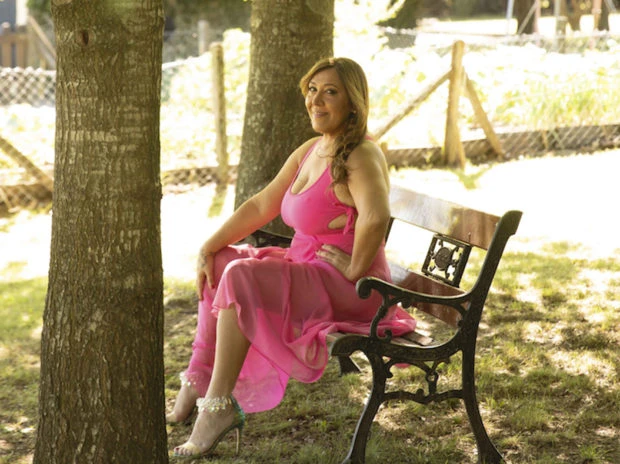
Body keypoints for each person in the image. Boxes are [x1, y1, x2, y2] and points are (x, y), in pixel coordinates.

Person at [168, 56, 417, 459]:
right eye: (312, 90)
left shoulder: (359, 155)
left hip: (353, 290)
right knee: (223, 262)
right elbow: (261, 204)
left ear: (353, 102)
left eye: (330, 92)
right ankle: (197, 380)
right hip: (310, 271)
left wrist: (355, 269)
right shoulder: (313, 149)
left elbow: (376, 216)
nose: (316, 100)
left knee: (240, 276)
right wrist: (209, 246)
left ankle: (217, 409)